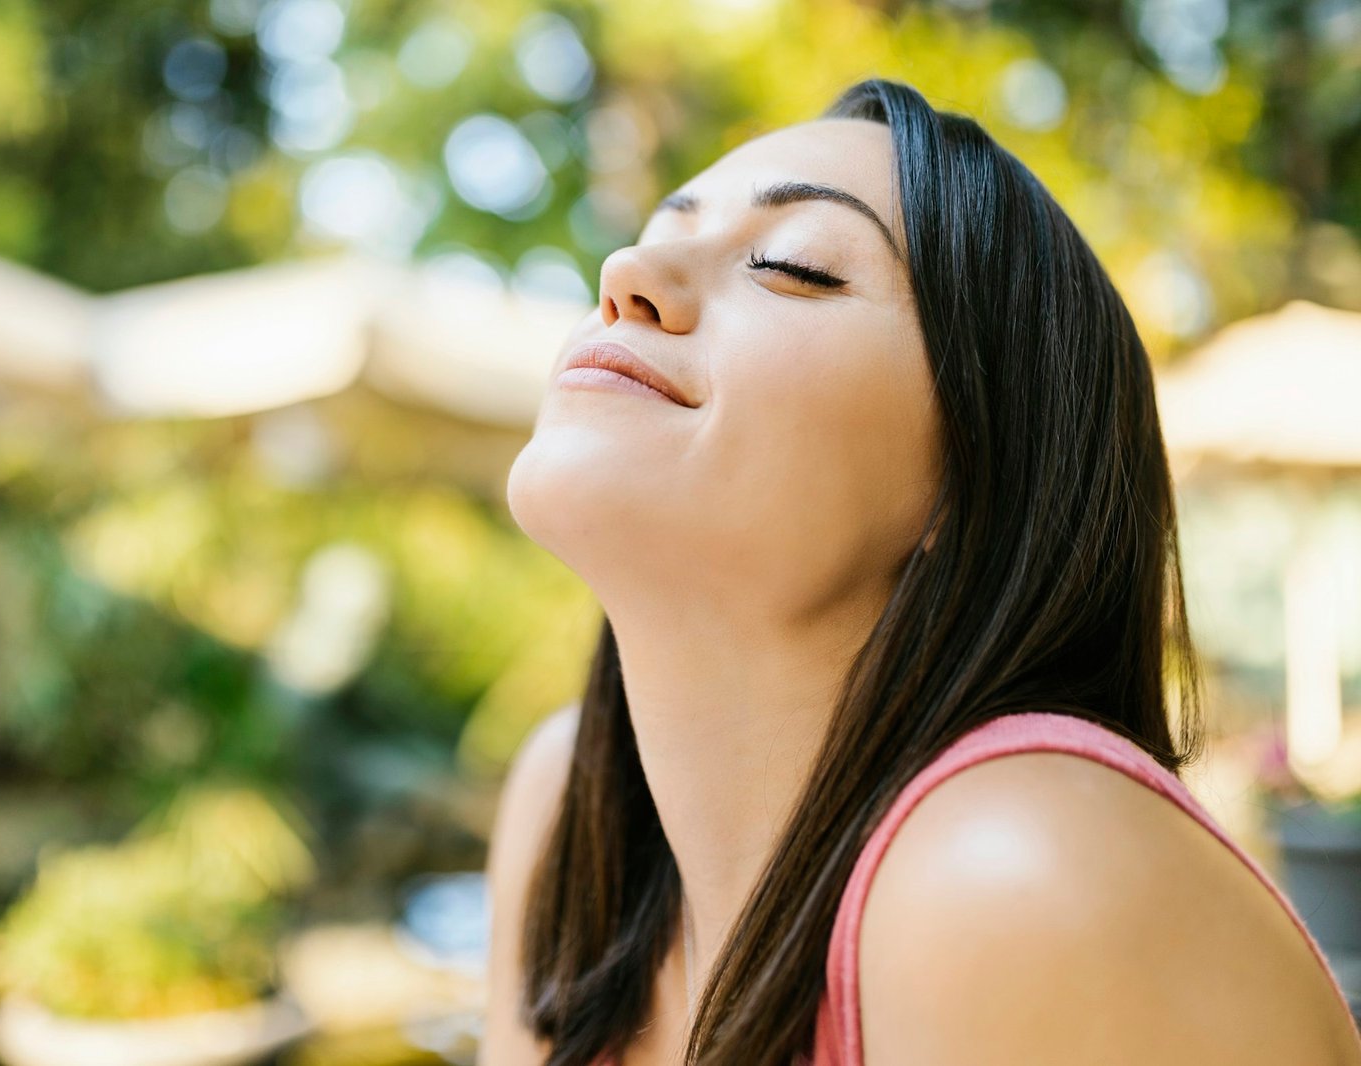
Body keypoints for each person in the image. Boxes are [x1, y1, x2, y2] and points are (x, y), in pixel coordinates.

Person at [480, 76, 1361, 1066]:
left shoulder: (1014, 874)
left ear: (977, 473)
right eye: (657, 227)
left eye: (791, 265)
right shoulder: (576, 819)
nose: (628, 268)